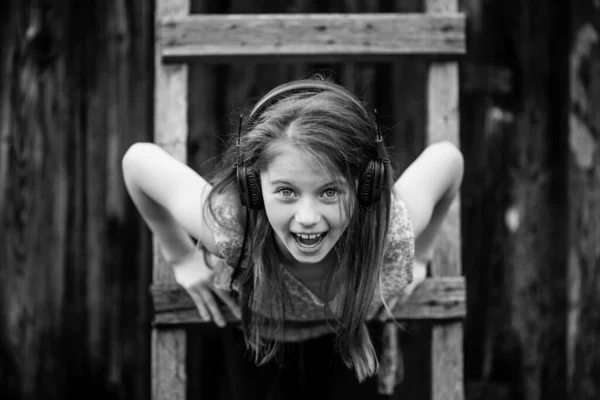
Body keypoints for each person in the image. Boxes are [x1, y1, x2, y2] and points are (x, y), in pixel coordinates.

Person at [122, 77, 463, 399]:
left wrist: (420, 256)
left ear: (365, 186)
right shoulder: (231, 230)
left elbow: (448, 160)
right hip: (260, 337)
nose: (308, 218)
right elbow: (138, 161)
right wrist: (181, 257)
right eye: (286, 191)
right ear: (252, 188)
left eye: (330, 192)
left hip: (353, 331)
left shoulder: (390, 231)